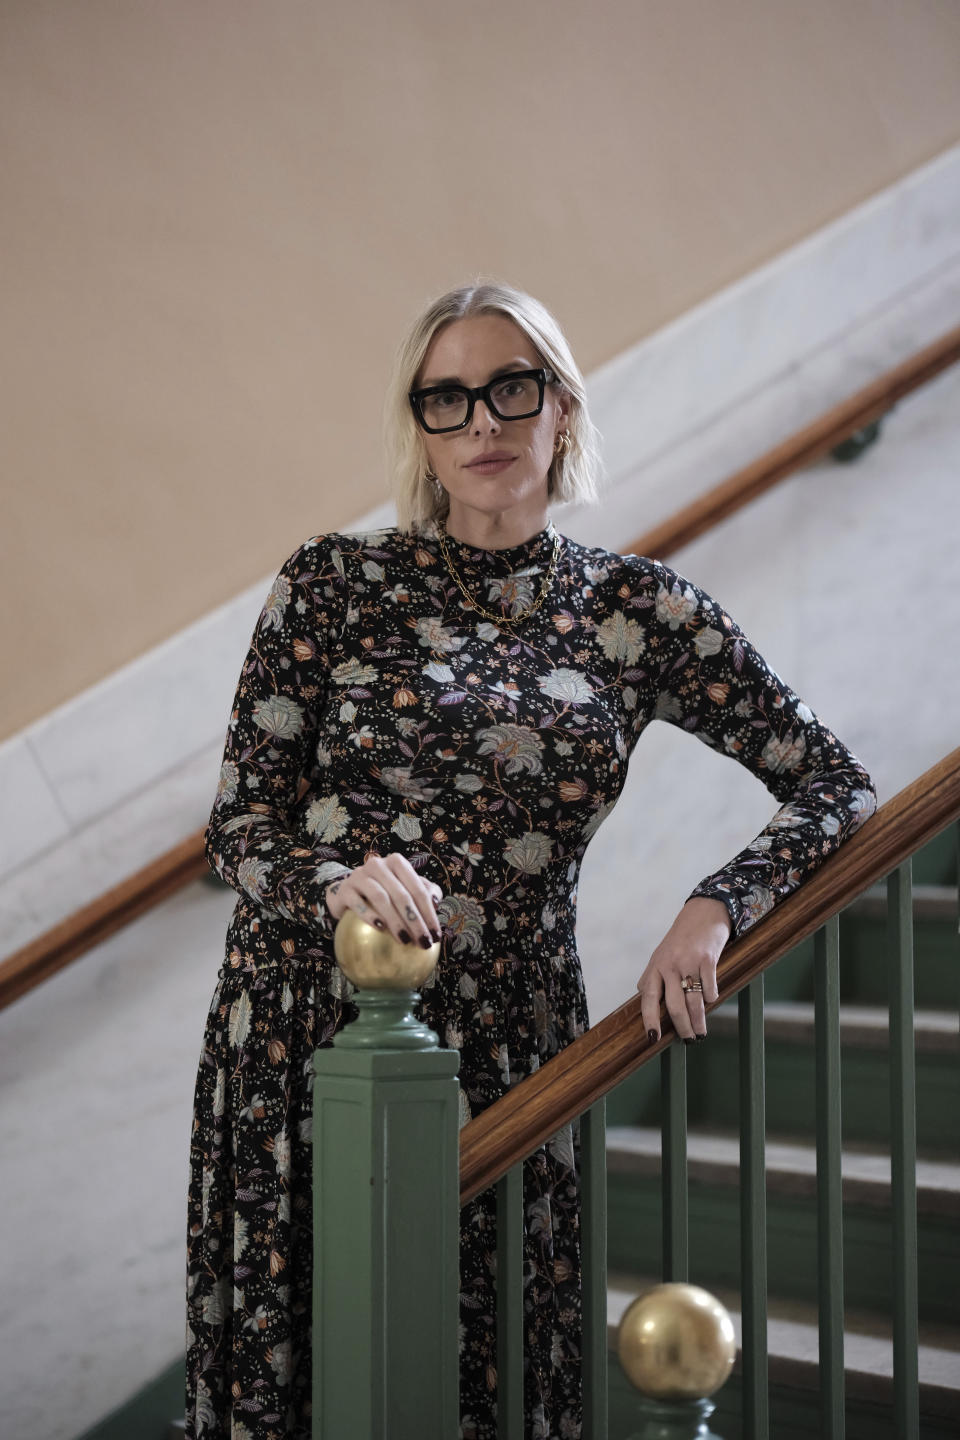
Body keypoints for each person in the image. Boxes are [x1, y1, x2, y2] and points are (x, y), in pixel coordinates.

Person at [185, 281, 876, 1439]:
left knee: (500, 1371)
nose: (483, 425)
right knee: (308, 1375)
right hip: (304, 1033)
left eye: (511, 388)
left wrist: (715, 909)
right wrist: (333, 880)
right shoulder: (331, 584)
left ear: (561, 406)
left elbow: (835, 784)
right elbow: (239, 826)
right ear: (420, 428)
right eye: (446, 400)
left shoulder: (638, 609)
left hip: (513, 1044)